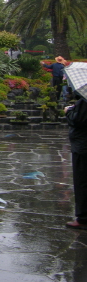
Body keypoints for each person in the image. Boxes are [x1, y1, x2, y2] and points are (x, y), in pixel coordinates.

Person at [64, 92, 87, 230]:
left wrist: (69, 111)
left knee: (82, 181)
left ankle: (83, 217)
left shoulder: (85, 100)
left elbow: (78, 120)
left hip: (83, 147)